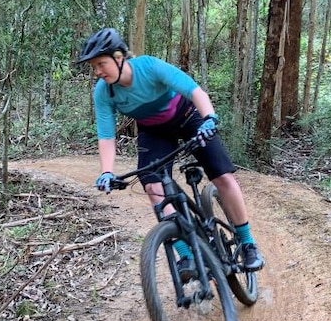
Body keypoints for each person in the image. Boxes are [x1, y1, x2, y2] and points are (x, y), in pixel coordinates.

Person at [76, 27, 264, 277]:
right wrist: (107, 171)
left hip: (189, 117)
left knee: (222, 176)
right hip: (155, 131)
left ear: (119, 57)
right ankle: (187, 256)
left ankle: (248, 243)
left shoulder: (149, 67)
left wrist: (209, 118)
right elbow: (106, 135)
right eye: (94, 67)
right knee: (153, 187)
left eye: (101, 64)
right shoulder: (104, 91)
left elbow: (194, 90)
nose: (98, 71)